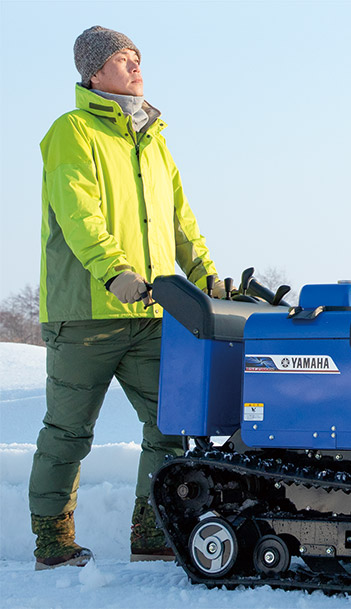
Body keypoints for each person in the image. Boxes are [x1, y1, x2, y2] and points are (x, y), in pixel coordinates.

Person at [29, 25, 228, 570]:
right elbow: (79, 212)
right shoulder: (73, 132)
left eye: (138, 57)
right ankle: (53, 541)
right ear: (94, 74)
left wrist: (207, 274)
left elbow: (180, 221)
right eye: (122, 58)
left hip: (152, 312)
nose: (136, 65)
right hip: (86, 315)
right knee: (69, 431)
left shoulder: (155, 139)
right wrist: (113, 270)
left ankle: (152, 530)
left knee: (170, 423)